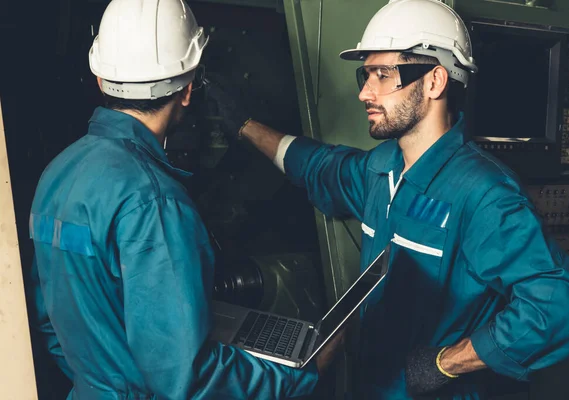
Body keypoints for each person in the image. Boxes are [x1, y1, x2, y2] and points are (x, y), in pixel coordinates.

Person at [206, 0, 569, 398]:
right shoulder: (380, 167)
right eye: (365, 75)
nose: (365, 92)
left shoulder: (483, 193)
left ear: (435, 82)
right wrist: (244, 126)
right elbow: (316, 165)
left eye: (383, 75)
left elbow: (552, 308)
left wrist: (445, 363)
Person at [28, 0, 343, 398]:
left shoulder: (57, 173)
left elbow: (49, 325)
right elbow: (187, 378)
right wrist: (304, 372)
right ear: (189, 89)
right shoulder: (154, 201)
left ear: (100, 80)